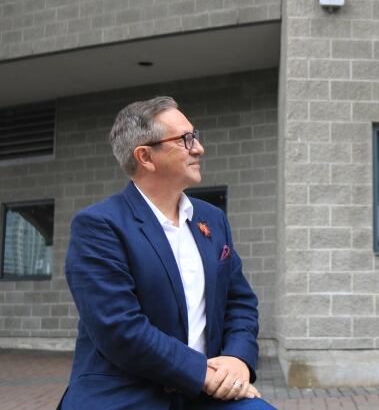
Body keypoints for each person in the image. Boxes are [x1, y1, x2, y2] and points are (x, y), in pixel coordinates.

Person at [60, 97, 276, 409]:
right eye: (185, 140)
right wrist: (202, 372)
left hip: (207, 393)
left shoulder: (211, 219)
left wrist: (237, 359)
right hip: (129, 394)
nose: (198, 148)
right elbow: (119, 329)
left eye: (196, 136)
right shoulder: (99, 226)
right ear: (145, 156)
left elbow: (239, 301)